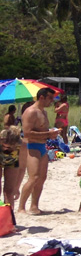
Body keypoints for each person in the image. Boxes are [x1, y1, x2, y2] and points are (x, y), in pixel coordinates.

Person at [17, 87, 59, 215]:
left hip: (42, 146)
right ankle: (21, 207)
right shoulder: (31, 112)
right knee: (33, 177)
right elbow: (27, 133)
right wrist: (48, 134)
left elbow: (42, 130)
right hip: (32, 146)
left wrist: (51, 133)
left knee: (42, 178)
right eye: (50, 98)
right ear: (42, 97)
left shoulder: (44, 112)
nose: (52, 101)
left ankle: (34, 206)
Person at [1, 127, 25, 204]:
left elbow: (21, 168)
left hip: (12, 162)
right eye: (3, 146)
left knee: (9, 191)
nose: (5, 149)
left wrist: (17, 187)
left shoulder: (21, 145)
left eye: (9, 147)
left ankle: (9, 214)